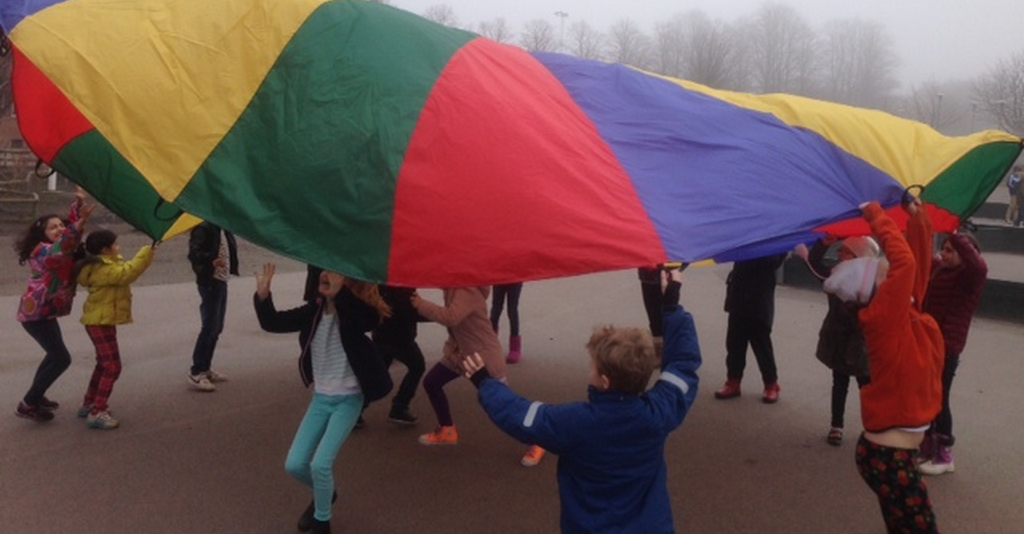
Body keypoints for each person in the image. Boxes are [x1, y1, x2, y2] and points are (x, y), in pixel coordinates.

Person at [459, 268, 700, 534]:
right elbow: (684, 364)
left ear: (605, 381)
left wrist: (485, 383)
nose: (590, 372)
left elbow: (521, 416)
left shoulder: (575, 422)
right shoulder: (659, 412)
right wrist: (672, 306)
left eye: (593, 367)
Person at [823, 198, 944, 533]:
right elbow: (905, 264)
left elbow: (915, 264)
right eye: (880, 268)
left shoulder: (907, 309)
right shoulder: (883, 319)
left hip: (892, 452)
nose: (887, 265)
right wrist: (875, 213)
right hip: (890, 457)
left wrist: (918, 219)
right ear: (876, 288)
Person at [253, 263, 393, 534]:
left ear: (348, 283)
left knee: (320, 464)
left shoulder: (354, 315)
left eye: (333, 273)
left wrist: (341, 296)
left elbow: (370, 320)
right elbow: (273, 323)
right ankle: (326, 494)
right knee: (294, 464)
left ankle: (322, 520)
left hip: (348, 400)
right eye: (323, 271)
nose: (324, 275)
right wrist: (263, 297)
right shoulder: (314, 312)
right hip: (321, 399)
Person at [413, 286, 546, 467]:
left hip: (483, 358)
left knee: (503, 407)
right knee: (432, 382)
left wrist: (420, 304)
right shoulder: (451, 287)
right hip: (459, 354)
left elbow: (451, 317)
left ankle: (537, 439)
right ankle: (447, 430)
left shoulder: (466, 289)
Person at [13, 187, 94, 422]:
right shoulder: (42, 251)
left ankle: (36, 396)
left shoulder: (58, 247)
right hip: (36, 315)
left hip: (44, 313)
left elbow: (71, 240)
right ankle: (28, 403)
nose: (59, 229)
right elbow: (66, 244)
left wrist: (78, 206)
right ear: (43, 234)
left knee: (53, 355)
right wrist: (78, 223)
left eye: (61, 225)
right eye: (53, 227)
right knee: (61, 358)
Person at [918, 229, 988, 475]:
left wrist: (952, 229)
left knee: (940, 398)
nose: (943, 254)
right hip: (929, 342)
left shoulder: (970, 277)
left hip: (947, 347)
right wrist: (920, 223)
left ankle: (945, 453)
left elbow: (977, 265)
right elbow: (924, 253)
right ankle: (928, 444)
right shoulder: (942, 269)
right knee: (927, 396)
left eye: (950, 250)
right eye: (943, 249)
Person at [75, 229, 156, 430]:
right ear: (105, 250)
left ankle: (90, 403)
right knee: (112, 367)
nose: (118, 247)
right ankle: (98, 412)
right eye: (115, 244)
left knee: (103, 364)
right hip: (99, 322)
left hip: (101, 321)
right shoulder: (104, 269)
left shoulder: (102, 265)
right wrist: (148, 251)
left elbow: (122, 269)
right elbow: (127, 273)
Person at [806, 236, 878, 445]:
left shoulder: (876, 281)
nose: (839, 255)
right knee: (839, 383)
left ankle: (873, 427)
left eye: (845, 251)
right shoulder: (837, 275)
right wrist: (826, 242)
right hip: (838, 338)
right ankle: (836, 426)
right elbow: (814, 262)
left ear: (858, 257)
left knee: (866, 386)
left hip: (862, 343)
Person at [714, 253, 787, 403]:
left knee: (761, 344)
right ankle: (733, 381)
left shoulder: (775, 237)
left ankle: (771, 384)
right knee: (734, 342)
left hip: (759, 295)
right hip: (739, 291)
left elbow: (773, 261)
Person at [186, 222, 238, 392]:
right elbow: (194, 253)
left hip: (221, 281)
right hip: (210, 281)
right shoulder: (204, 228)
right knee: (209, 326)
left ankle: (206, 368)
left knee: (217, 327)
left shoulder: (224, 227)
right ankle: (196, 371)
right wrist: (211, 260)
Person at [373, 285, 427, 425]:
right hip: (400, 340)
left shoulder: (382, 281)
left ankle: (357, 409)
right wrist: (438, 314)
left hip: (381, 335)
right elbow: (408, 312)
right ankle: (399, 407)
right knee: (417, 367)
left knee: (378, 374)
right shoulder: (403, 286)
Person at [490, 282, 525, 363]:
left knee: (512, 311)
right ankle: (491, 345)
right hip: (499, 279)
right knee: (495, 311)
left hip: (515, 280)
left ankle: (515, 348)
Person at [637, 266, 665, 357]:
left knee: (661, 308)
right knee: (655, 309)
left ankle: (661, 343)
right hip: (649, 270)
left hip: (662, 268)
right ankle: (660, 342)